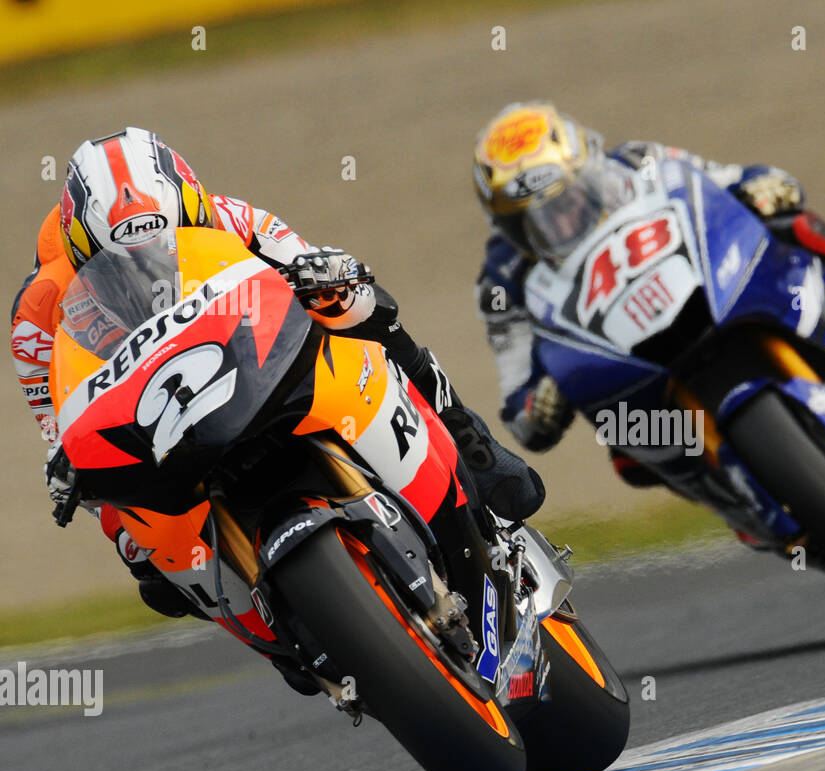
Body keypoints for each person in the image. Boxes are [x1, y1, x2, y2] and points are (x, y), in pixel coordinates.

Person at [11, 127, 543, 632]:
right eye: (120, 262)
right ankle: (267, 621)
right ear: (81, 251)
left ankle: (466, 435)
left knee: (358, 309)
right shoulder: (38, 310)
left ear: (192, 211)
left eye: (165, 245)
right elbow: (60, 421)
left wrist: (328, 280)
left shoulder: (223, 215)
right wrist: (68, 464)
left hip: (246, 361)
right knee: (135, 547)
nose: (145, 270)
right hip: (156, 418)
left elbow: (310, 264)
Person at [470, 101, 825, 484]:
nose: (561, 223)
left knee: (798, 230)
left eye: (570, 200)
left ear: (589, 167)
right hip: (630, 371)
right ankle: (730, 494)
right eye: (530, 222)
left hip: (709, 291)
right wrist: (539, 406)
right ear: (504, 225)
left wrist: (763, 187)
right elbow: (517, 399)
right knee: (625, 452)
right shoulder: (501, 279)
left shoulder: (639, 161)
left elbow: (724, 181)